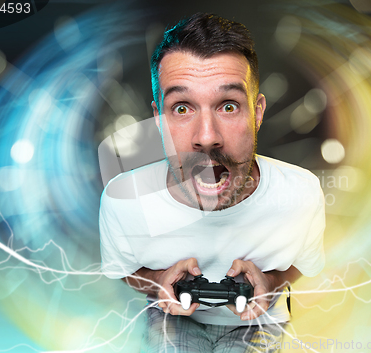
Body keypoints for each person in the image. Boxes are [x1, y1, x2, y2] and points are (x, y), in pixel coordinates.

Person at [99, 13, 325, 352]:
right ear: (158, 118)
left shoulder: (300, 193)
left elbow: (303, 264)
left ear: (257, 112)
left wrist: (272, 282)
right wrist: (156, 280)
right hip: (173, 318)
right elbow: (123, 269)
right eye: (181, 109)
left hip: (259, 321)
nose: (206, 137)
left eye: (229, 106)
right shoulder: (122, 199)